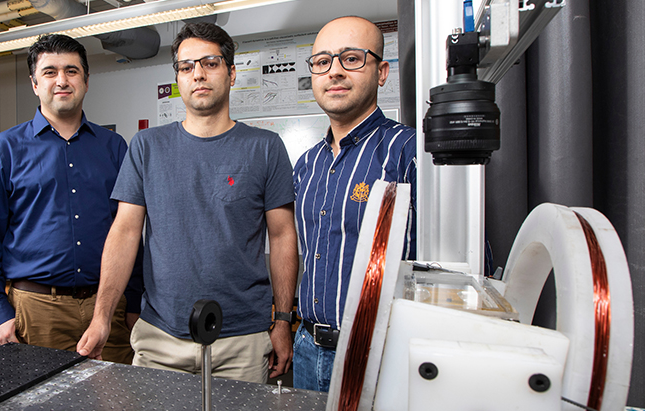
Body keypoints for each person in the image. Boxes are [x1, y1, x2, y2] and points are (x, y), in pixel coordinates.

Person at [77, 22, 298, 384]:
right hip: (161, 337)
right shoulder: (147, 147)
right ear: (178, 78)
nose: (198, 74)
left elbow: (283, 236)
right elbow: (125, 232)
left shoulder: (266, 147)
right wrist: (102, 317)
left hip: (241, 338)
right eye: (186, 66)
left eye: (210, 63)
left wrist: (283, 320)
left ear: (231, 73)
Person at [0, 34, 139, 365]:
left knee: (115, 408)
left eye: (72, 71)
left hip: (108, 309)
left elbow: (130, 232)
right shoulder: (5, 149)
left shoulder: (114, 147)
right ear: (34, 83)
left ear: (86, 81)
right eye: (49, 72)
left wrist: (133, 301)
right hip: (36, 311)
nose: (62, 80)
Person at [292, 16, 417, 392]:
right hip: (307, 349)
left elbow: (462, 267)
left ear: (381, 72)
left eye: (351, 59)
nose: (334, 72)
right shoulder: (307, 165)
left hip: (381, 357)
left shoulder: (410, 152)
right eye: (323, 61)